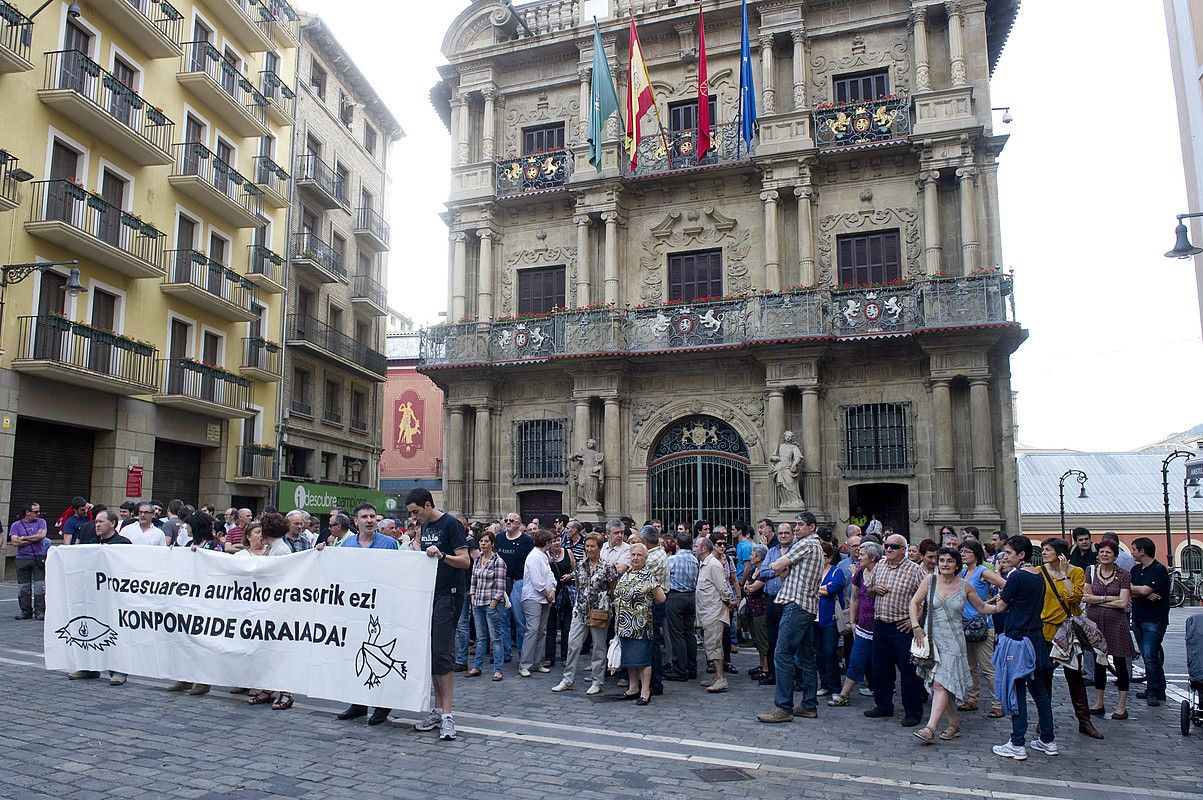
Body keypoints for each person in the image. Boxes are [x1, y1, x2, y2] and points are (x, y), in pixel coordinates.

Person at [982, 535, 1057, 761]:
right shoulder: (1038, 576)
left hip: (1018, 640)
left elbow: (1001, 607)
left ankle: (1017, 742)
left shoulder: (1017, 577)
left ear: (1021, 555)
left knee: (1016, 691)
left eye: (1009, 554)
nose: (1005, 558)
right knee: (1040, 692)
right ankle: (1047, 739)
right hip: (1036, 638)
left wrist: (979, 605)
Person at [406, 489, 471, 741]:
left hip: (449, 595)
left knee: (443, 654)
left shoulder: (450, 524)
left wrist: (443, 555)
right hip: (430, 594)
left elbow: (465, 561)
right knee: (433, 654)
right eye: (410, 513)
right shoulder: (424, 527)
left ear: (427, 504)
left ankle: (447, 715)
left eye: (415, 512)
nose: (413, 517)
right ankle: (436, 710)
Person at [908, 547, 989, 743]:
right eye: (942, 560)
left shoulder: (965, 586)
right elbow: (914, 603)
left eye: (950, 561)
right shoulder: (930, 581)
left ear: (957, 565)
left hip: (954, 642)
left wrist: (1004, 603)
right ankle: (954, 724)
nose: (945, 564)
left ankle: (930, 728)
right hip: (932, 640)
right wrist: (915, 625)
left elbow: (983, 607)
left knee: (940, 684)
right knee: (944, 684)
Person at [332, 503, 401, 726]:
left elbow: (398, 573)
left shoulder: (389, 543)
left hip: (382, 608)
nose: (370, 520)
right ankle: (358, 704)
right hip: (356, 610)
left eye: (373, 516)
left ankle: (382, 706)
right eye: (365, 517)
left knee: (379, 655)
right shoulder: (347, 544)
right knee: (356, 654)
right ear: (356, 521)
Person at [758, 511, 824, 723]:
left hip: (796, 604)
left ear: (811, 527)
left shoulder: (806, 544)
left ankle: (783, 707)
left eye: (800, 524)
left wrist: (770, 566)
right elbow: (785, 573)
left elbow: (777, 566)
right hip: (805, 604)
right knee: (806, 657)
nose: (796, 529)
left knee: (782, 653)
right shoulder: (811, 545)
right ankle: (808, 704)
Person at [1035, 537, 1103, 739]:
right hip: (1045, 630)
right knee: (1044, 677)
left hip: (1067, 631)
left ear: (1060, 553)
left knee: (1074, 677)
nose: (1044, 553)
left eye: (1047, 550)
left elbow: (1073, 597)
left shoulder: (1076, 572)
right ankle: (1044, 719)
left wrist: (1064, 575)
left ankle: (1084, 721)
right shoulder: (1039, 573)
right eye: (1043, 550)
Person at [864, 533, 927, 726]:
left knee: (908, 673)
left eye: (893, 546)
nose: (889, 549)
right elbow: (868, 589)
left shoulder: (915, 570)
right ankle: (883, 706)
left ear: (903, 550)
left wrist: (913, 620)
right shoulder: (880, 565)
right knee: (880, 669)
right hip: (881, 625)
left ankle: (913, 713)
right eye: (887, 546)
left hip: (902, 628)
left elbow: (925, 599)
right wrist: (875, 590)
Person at [67, 509, 130, 685]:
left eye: (101, 522)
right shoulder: (92, 543)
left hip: (114, 597)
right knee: (90, 629)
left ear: (113, 524)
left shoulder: (123, 544)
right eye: (96, 522)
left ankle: (119, 671)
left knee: (115, 633)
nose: (97, 525)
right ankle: (89, 668)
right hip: (94, 596)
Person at [555, 533, 617, 694]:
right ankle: (567, 679)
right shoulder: (581, 565)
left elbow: (613, 587)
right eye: (587, 546)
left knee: (598, 647)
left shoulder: (607, 566)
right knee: (573, 645)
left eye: (592, 546)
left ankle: (597, 681)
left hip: (599, 612)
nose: (589, 549)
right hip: (580, 610)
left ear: (599, 547)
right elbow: (578, 586)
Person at [1083, 538, 1136, 719]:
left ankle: (1121, 706)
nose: (1104, 555)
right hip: (1095, 623)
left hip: (1117, 623)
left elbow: (1123, 602)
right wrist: (1108, 599)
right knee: (1099, 663)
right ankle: (1099, 702)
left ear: (1115, 556)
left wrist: (1098, 600)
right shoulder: (1091, 571)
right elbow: (1085, 597)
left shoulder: (1123, 575)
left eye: (1108, 552)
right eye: (1102, 552)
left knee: (1120, 663)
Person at [830, 540, 883, 707]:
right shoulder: (859, 572)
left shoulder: (883, 572)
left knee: (881, 662)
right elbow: (854, 598)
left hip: (882, 624)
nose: (858, 557)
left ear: (873, 557)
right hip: (863, 625)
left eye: (862, 555)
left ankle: (883, 697)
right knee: (856, 659)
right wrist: (852, 621)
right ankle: (845, 694)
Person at [613, 542, 668, 704]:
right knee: (630, 658)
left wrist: (644, 605)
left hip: (641, 624)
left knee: (643, 659)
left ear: (645, 558)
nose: (635, 558)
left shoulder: (648, 575)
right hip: (624, 624)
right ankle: (633, 687)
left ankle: (645, 691)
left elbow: (661, 598)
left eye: (639, 555)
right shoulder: (626, 574)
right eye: (633, 555)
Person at [958, 539, 1005, 717]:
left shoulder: (983, 571)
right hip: (965, 624)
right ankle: (972, 698)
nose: (963, 554)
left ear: (975, 554)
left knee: (987, 667)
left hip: (982, 623)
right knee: (971, 666)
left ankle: (998, 703)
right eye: (962, 551)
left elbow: (1004, 586)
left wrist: (990, 602)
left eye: (967, 551)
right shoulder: (963, 573)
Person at [1129, 537, 1171, 707]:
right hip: (1138, 616)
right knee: (1149, 655)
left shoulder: (1158, 570)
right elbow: (1128, 588)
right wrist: (1145, 593)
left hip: (1154, 619)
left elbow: (1140, 588)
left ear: (1142, 551)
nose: (1131, 552)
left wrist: (1143, 591)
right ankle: (1158, 689)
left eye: (1133, 549)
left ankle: (1153, 691)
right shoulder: (1136, 569)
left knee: (1149, 655)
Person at [694, 537, 734, 694]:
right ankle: (717, 677)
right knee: (710, 645)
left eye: (696, 546)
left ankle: (720, 679)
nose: (694, 548)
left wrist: (728, 602)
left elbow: (724, 588)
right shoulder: (705, 564)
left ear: (704, 548)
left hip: (714, 612)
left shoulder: (713, 565)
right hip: (707, 612)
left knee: (714, 646)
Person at [467, 529, 507, 681]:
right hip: (477, 602)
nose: (483, 544)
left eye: (486, 541)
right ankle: (477, 666)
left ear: (492, 544)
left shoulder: (499, 561)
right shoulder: (478, 560)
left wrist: (493, 603)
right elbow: (474, 580)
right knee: (481, 637)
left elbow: (500, 586)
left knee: (495, 638)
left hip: (492, 604)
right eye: (481, 541)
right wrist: (472, 595)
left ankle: (498, 670)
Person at [757, 522, 794, 687]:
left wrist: (775, 567)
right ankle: (772, 673)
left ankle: (792, 676)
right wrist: (778, 570)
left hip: (789, 600)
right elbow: (763, 571)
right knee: (772, 639)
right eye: (781, 533)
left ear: (792, 534)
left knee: (789, 640)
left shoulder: (796, 551)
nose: (783, 535)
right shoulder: (772, 551)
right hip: (772, 600)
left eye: (787, 532)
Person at [494, 513, 534, 664]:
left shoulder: (526, 540)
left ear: (519, 524)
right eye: (506, 520)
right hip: (502, 583)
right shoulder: (499, 539)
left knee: (520, 621)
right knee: (502, 620)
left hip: (519, 582)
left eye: (512, 521)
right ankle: (505, 653)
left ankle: (524, 655)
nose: (508, 523)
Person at [518, 529, 557, 677]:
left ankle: (537, 662)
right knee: (532, 630)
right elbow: (537, 581)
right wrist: (548, 593)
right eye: (551, 541)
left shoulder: (544, 556)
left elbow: (550, 575)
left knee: (542, 631)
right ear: (546, 542)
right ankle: (525, 664)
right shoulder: (534, 556)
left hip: (545, 597)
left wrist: (552, 589)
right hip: (533, 598)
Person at [9, 502, 49, 621]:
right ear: (27, 512)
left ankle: (40, 611)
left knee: (39, 586)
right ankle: (25, 611)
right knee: (23, 587)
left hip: (38, 557)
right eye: (35, 511)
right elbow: (14, 542)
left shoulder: (41, 522)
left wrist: (23, 538)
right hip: (22, 558)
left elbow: (41, 536)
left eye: (39, 511)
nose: (38, 513)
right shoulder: (16, 525)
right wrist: (34, 538)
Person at [816, 542, 847, 697]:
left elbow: (833, 588)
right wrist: (822, 589)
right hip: (814, 618)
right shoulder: (813, 572)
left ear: (829, 557)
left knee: (829, 651)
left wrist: (817, 589)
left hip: (830, 618)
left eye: (823, 556)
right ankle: (825, 684)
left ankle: (835, 686)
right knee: (819, 652)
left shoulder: (837, 572)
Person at [543, 533, 576, 669]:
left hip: (566, 593)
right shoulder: (545, 555)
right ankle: (549, 657)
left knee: (566, 627)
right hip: (551, 593)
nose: (556, 543)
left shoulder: (568, 552)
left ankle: (565, 656)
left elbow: (576, 570)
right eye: (553, 541)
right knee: (550, 626)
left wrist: (570, 575)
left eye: (558, 540)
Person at [742, 543, 771, 680]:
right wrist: (749, 587)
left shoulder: (764, 572)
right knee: (756, 639)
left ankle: (766, 667)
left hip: (761, 609)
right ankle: (761, 664)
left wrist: (749, 588)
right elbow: (747, 587)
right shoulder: (754, 570)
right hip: (753, 608)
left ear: (759, 558)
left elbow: (752, 588)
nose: (750, 557)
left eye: (753, 555)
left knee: (762, 638)